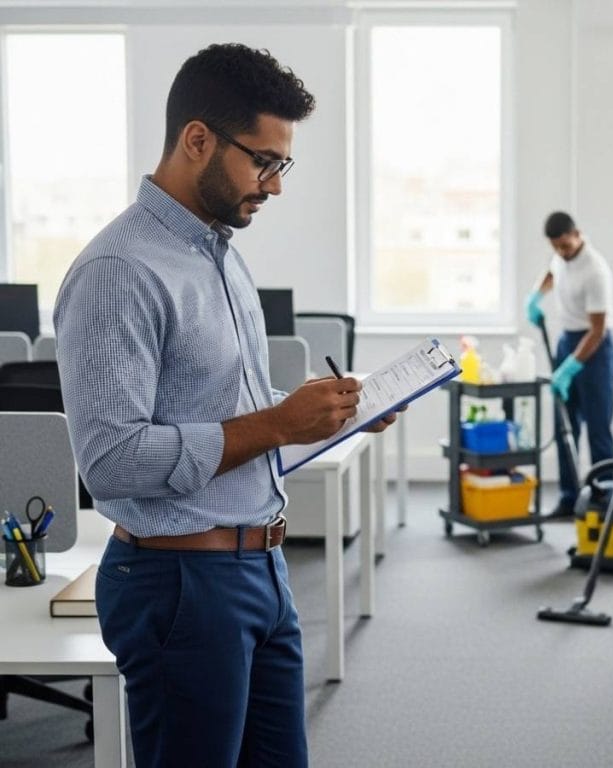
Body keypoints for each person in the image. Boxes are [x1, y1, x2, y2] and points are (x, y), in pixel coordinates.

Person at [54, 44, 397, 767]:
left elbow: (223, 407)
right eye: (262, 161)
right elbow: (112, 461)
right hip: (181, 584)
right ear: (197, 139)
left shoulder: (218, 250)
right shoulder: (121, 270)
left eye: (282, 165)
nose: (273, 186)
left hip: (261, 571)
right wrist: (277, 421)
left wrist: (327, 412)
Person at [526, 211, 613, 517]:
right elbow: (552, 272)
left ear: (577, 234)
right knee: (565, 426)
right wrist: (535, 297)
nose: (561, 252)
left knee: (598, 427)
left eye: (565, 245)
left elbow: (598, 330)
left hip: (596, 350)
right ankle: (569, 497)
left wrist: (569, 368)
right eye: (556, 247)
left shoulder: (595, 271)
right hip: (567, 341)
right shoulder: (561, 257)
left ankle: (604, 498)